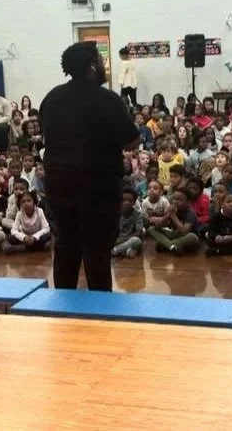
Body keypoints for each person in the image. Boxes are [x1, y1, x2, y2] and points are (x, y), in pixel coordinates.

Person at [40, 41, 140, 291]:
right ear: (93, 66)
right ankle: (99, 310)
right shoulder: (108, 99)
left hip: (59, 189)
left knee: (65, 249)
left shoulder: (51, 98)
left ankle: (63, 306)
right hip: (97, 190)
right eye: (101, 61)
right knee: (97, 253)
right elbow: (132, 140)